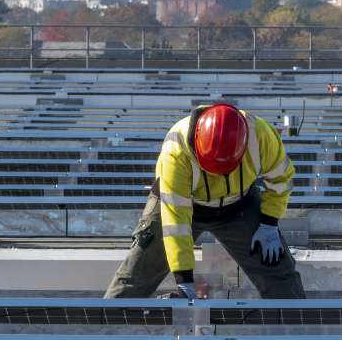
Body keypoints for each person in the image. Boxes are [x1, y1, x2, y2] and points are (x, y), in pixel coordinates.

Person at [104, 103, 305, 299]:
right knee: (136, 275)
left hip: (239, 205)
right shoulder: (176, 151)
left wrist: (268, 223)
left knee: (279, 273)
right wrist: (184, 279)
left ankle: (297, 326)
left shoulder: (262, 136)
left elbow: (281, 181)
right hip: (182, 204)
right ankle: (106, 325)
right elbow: (177, 224)